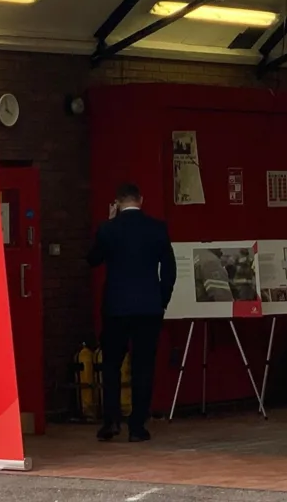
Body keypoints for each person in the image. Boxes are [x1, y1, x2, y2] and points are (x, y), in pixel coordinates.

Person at [87, 183, 176, 443]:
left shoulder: (108, 229)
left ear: (117, 202)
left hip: (116, 307)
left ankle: (111, 420)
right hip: (148, 308)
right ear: (141, 199)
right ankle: (137, 426)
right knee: (143, 366)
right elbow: (169, 270)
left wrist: (108, 222)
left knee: (112, 364)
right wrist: (162, 300)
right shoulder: (157, 228)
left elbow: (92, 259)